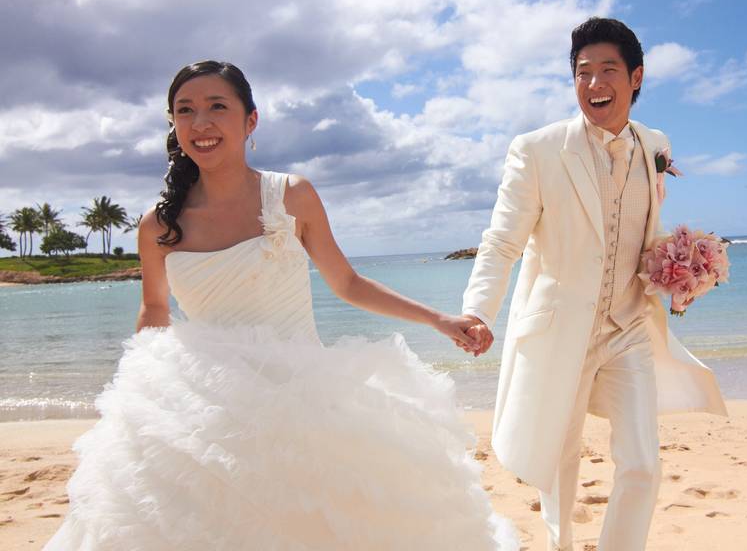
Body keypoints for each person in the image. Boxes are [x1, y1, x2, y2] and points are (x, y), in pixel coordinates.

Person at [45, 61, 514, 551]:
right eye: (185, 111)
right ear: (173, 124)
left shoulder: (291, 195)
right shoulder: (158, 225)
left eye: (217, 107)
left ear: (251, 121)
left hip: (300, 397)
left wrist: (439, 318)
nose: (200, 123)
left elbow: (347, 282)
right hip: (204, 405)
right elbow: (154, 311)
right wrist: (137, 393)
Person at [461, 18, 726, 551]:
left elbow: (639, 231)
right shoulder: (537, 150)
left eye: (608, 70)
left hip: (627, 325)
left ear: (636, 78)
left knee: (642, 460)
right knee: (560, 458)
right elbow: (501, 241)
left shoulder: (655, 145)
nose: (594, 84)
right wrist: (479, 311)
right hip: (563, 327)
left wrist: (681, 267)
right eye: (583, 73)